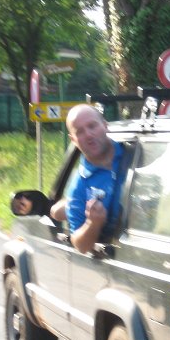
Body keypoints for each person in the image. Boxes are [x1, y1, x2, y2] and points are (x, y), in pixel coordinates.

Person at [55, 104, 126, 254]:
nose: (88, 134)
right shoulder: (79, 186)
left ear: (105, 125)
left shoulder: (136, 152)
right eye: (79, 131)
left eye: (92, 126)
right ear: (73, 139)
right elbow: (80, 245)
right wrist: (93, 223)